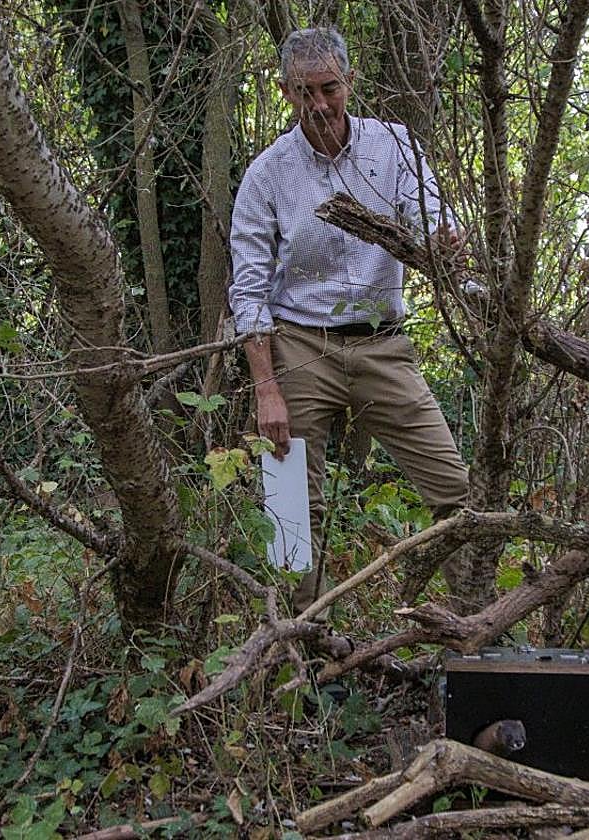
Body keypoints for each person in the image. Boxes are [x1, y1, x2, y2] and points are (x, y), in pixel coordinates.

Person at [229, 27, 471, 610]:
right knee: (291, 504)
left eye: (329, 88)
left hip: (382, 343)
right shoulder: (268, 174)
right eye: (304, 91)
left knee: (454, 490)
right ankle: (304, 638)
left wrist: (444, 239)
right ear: (286, 92)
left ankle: (479, 622)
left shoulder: (393, 146)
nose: (319, 104)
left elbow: (430, 215)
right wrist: (267, 388)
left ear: (349, 82)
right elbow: (250, 288)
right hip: (299, 345)